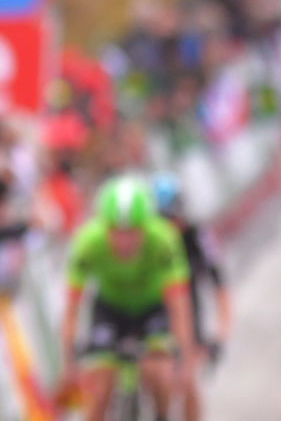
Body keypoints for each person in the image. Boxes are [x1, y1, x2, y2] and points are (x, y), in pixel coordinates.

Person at [60, 174, 198, 421]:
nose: (125, 241)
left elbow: (180, 306)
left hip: (152, 308)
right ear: (104, 226)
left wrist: (185, 362)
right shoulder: (86, 243)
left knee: (160, 373)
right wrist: (69, 363)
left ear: (146, 225)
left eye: (133, 232)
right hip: (109, 310)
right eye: (117, 232)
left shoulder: (164, 239)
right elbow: (71, 308)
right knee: (99, 390)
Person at [152, 172, 231, 360]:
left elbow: (220, 285)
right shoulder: (152, 245)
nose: (171, 226)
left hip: (188, 306)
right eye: (163, 221)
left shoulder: (198, 234)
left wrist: (221, 335)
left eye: (173, 217)